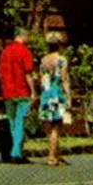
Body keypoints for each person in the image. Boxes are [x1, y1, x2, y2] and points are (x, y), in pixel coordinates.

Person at [0, 28, 35, 162]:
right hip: (22, 91)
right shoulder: (25, 51)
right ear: (23, 36)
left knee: (12, 123)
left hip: (7, 91)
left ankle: (15, 149)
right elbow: (28, 73)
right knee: (20, 122)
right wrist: (33, 91)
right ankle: (16, 152)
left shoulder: (5, 52)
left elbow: (0, 73)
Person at [38, 32, 73, 166]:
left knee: (49, 126)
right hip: (57, 93)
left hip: (46, 93)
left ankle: (57, 154)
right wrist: (69, 96)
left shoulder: (43, 60)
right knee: (56, 127)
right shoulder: (61, 60)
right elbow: (64, 79)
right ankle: (52, 156)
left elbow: (42, 78)